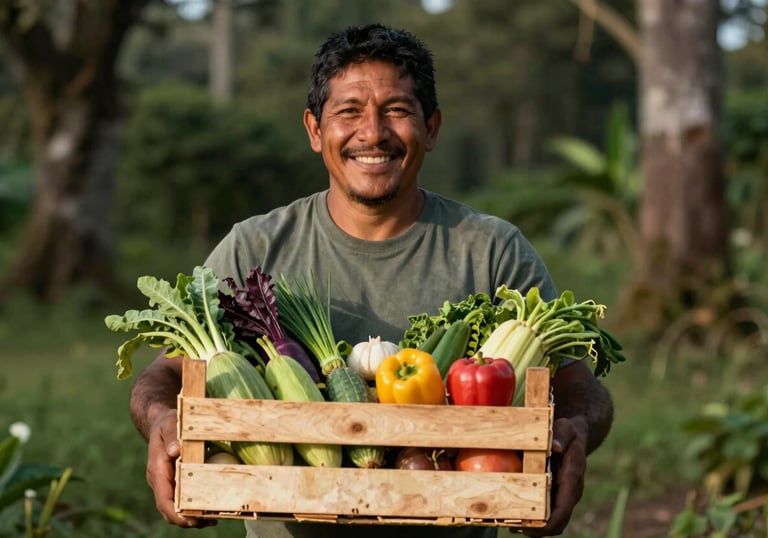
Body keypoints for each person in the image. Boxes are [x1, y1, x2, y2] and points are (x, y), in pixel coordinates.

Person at [128, 23, 613, 538]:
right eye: (349, 111)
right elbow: (163, 377)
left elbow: (578, 386)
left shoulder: (491, 250)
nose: (373, 133)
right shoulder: (256, 247)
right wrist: (162, 422)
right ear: (315, 131)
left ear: (432, 128)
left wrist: (574, 430)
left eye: (398, 110)